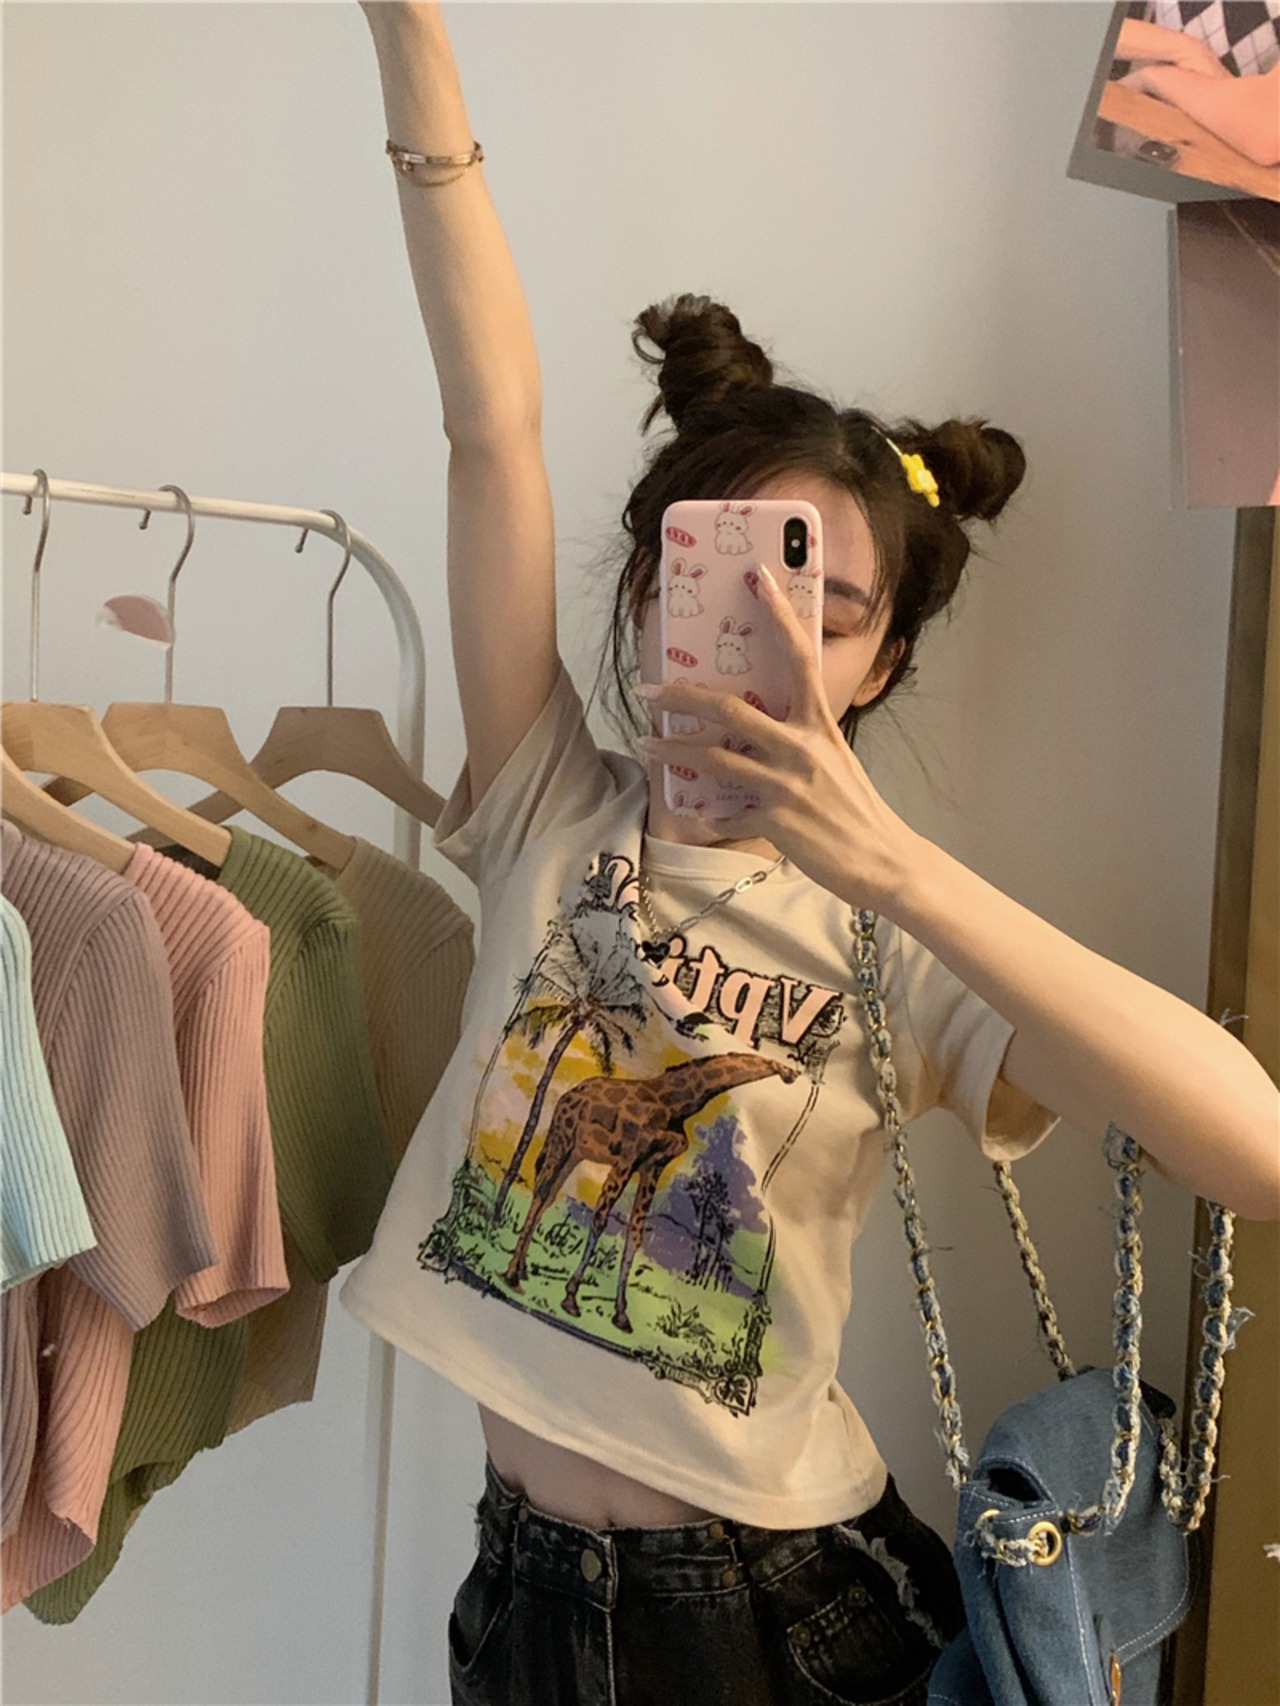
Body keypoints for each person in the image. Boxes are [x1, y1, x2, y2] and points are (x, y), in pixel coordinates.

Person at [340, 6, 1280, 1703]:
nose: (766, 639)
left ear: (882, 663)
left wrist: (895, 869)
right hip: (518, 1600)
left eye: (826, 611)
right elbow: (492, 429)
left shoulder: (900, 942)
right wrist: (412, 36)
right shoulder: (550, 807)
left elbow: (1259, 1150)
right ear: (651, 588)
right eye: (724, 580)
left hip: (773, 1621)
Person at [1114, 5, 1280, 168]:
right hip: (1139, 116)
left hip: (1224, 153)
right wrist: (1180, 48)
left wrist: (1153, 77)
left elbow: (1267, 137)